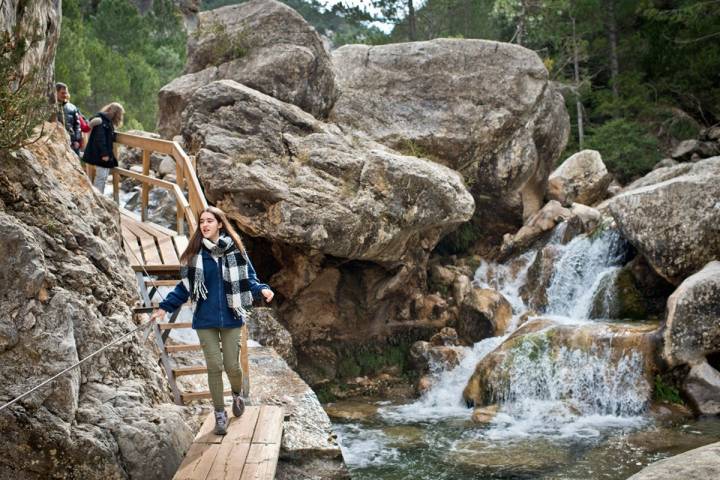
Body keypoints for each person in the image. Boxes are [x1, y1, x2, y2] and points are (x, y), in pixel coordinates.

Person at [150, 207, 274, 435]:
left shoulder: (235, 251)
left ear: (220, 224)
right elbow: (184, 288)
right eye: (201, 222)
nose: (204, 225)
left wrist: (263, 290)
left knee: (232, 367)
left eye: (209, 221)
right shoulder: (195, 256)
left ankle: (236, 395)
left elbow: (249, 279)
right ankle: (219, 413)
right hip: (205, 319)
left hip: (232, 316)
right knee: (215, 367)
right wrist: (164, 308)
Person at [83, 102, 124, 194]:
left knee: (102, 177)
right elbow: (100, 139)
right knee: (101, 177)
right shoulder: (102, 121)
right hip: (101, 154)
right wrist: (104, 154)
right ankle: (98, 198)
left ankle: (97, 196)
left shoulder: (105, 121)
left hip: (100, 153)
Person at [55, 83, 82, 156]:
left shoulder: (72, 107)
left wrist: (77, 140)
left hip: (72, 142)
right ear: (56, 93)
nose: (65, 95)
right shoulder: (50, 106)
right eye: (62, 93)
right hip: (56, 141)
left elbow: (77, 125)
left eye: (66, 93)